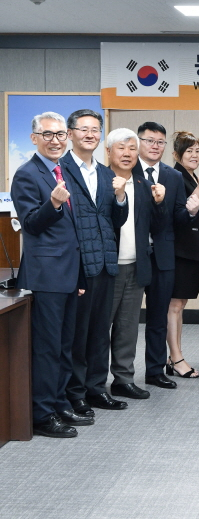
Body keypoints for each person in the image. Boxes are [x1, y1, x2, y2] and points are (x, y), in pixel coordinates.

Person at [11, 112, 90, 437]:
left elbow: (74, 231)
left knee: (64, 346)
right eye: (47, 134)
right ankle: (42, 414)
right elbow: (30, 224)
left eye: (60, 134)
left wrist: (80, 276)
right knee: (46, 348)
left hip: (69, 275)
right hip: (46, 277)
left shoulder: (65, 171)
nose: (55, 140)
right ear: (34, 138)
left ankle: (59, 404)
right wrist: (53, 204)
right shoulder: (26, 174)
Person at [61, 109, 129, 415]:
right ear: (70, 133)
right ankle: (75, 393)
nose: (90, 134)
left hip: (105, 262)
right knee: (78, 334)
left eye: (95, 129)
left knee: (101, 331)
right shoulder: (61, 170)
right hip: (77, 266)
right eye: (84, 129)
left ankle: (97, 388)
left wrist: (120, 198)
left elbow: (116, 219)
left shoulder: (105, 173)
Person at [133, 122, 199, 392]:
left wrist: (191, 212)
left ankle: (155, 370)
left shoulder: (172, 176)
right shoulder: (127, 170)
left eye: (160, 142)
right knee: (124, 319)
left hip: (163, 254)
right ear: (138, 142)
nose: (155, 146)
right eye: (149, 140)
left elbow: (178, 218)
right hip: (132, 255)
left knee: (159, 317)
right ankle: (121, 375)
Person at [107, 129, 166, 400]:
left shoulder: (143, 184)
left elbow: (156, 226)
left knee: (128, 328)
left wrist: (159, 203)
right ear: (109, 151)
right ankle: (93, 384)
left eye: (132, 148)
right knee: (100, 329)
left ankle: (123, 379)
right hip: (107, 269)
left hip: (136, 266)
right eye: (121, 148)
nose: (127, 153)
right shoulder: (101, 181)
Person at [167, 131, 199, 379]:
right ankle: (176, 358)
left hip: (191, 250)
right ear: (176, 155)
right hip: (178, 251)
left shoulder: (192, 176)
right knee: (174, 306)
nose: (194, 155)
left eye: (197, 151)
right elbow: (184, 212)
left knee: (180, 305)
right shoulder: (175, 177)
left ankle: (173, 356)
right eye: (189, 151)